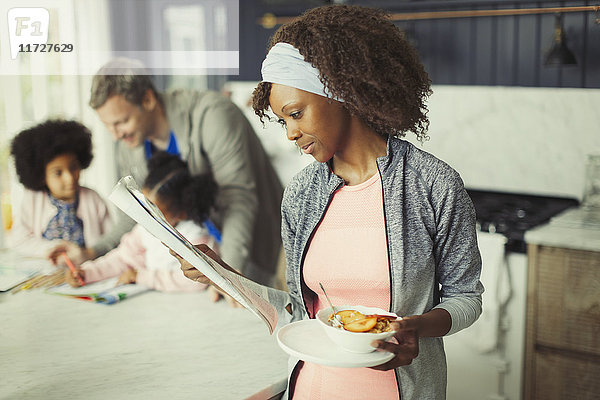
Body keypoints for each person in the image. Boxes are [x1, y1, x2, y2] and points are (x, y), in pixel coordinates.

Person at [175, 5, 483, 400]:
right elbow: (299, 314)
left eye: (296, 113)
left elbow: (465, 298)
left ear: (340, 91)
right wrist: (223, 275)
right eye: (283, 121)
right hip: (311, 388)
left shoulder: (432, 184)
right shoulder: (302, 193)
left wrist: (415, 328)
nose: (290, 133)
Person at [56, 62, 283, 288]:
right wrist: (91, 253)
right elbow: (132, 216)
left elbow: (238, 200)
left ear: (147, 99)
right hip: (206, 274)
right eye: (108, 126)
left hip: (254, 253)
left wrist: (230, 281)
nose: (116, 135)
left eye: (122, 122)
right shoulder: (129, 143)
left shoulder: (214, 115)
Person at [64, 152, 221, 294]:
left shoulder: (197, 239)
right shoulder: (144, 230)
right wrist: (87, 272)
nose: (146, 215)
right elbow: (122, 259)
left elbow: (195, 283)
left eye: (155, 211)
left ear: (181, 213)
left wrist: (141, 276)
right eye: (144, 205)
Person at [9, 119, 111, 261]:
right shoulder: (33, 199)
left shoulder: (93, 199)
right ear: (41, 176)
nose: (69, 178)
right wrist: (51, 249)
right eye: (58, 173)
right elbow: (18, 240)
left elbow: (109, 242)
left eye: (73, 167)